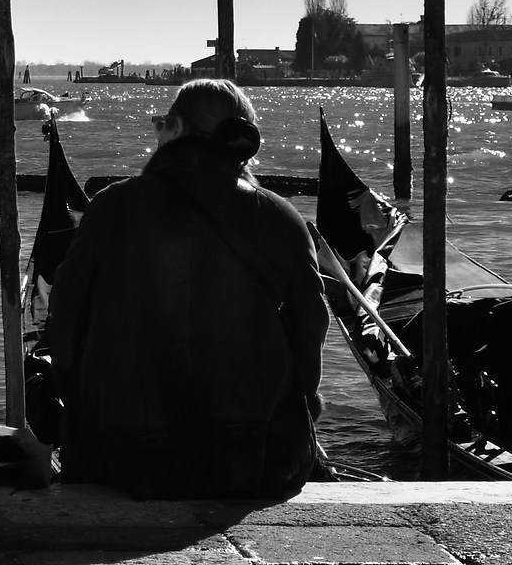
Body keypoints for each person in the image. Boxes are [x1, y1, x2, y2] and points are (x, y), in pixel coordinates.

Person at [44, 78, 326, 499]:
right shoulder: (279, 215)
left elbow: (66, 320)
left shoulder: (112, 207)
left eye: (161, 124)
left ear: (176, 128)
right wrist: (298, 410)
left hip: (124, 460)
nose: (158, 134)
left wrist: (82, 407)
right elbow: (310, 327)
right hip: (257, 462)